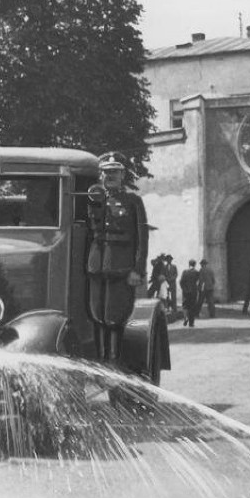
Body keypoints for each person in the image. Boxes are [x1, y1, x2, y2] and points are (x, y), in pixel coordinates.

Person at [86, 152, 149, 361]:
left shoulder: (132, 201)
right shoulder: (94, 199)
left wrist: (137, 270)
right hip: (96, 268)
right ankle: (100, 361)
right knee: (97, 315)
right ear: (100, 175)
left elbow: (142, 238)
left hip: (121, 269)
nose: (109, 176)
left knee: (116, 318)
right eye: (105, 172)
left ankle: (116, 361)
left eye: (114, 172)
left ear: (122, 175)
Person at [180, 259, 199, 327]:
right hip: (193, 292)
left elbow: (181, 282)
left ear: (189, 264)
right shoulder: (196, 272)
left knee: (185, 306)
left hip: (185, 292)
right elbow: (198, 282)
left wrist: (184, 289)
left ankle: (185, 318)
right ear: (195, 265)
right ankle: (191, 323)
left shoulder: (185, 272)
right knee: (192, 306)